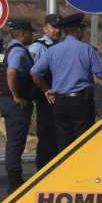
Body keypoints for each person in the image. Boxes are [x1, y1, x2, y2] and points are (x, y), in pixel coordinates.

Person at [31, 12, 102, 150]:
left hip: (59, 102)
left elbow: (34, 72)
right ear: (78, 30)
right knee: (83, 142)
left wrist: (46, 89)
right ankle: (81, 170)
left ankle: (66, 170)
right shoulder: (88, 49)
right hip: (81, 101)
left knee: (64, 142)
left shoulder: (52, 50)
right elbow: (101, 74)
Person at [0, 19, 35, 190]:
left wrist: (6, 88)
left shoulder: (5, 51)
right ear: (23, 33)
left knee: (12, 141)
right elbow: (11, 72)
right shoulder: (19, 52)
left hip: (5, 101)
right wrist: (16, 94)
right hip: (16, 103)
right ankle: (15, 182)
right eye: (30, 32)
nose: (32, 35)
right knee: (16, 143)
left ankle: (14, 179)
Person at [27, 13, 62, 169]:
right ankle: (42, 170)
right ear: (45, 28)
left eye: (60, 27)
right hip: (45, 97)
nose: (58, 30)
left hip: (59, 97)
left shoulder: (59, 46)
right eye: (54, 27)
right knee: (46, 135)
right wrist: (45, 90)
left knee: (57, 136)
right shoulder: (38, 47)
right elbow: (31, 72)